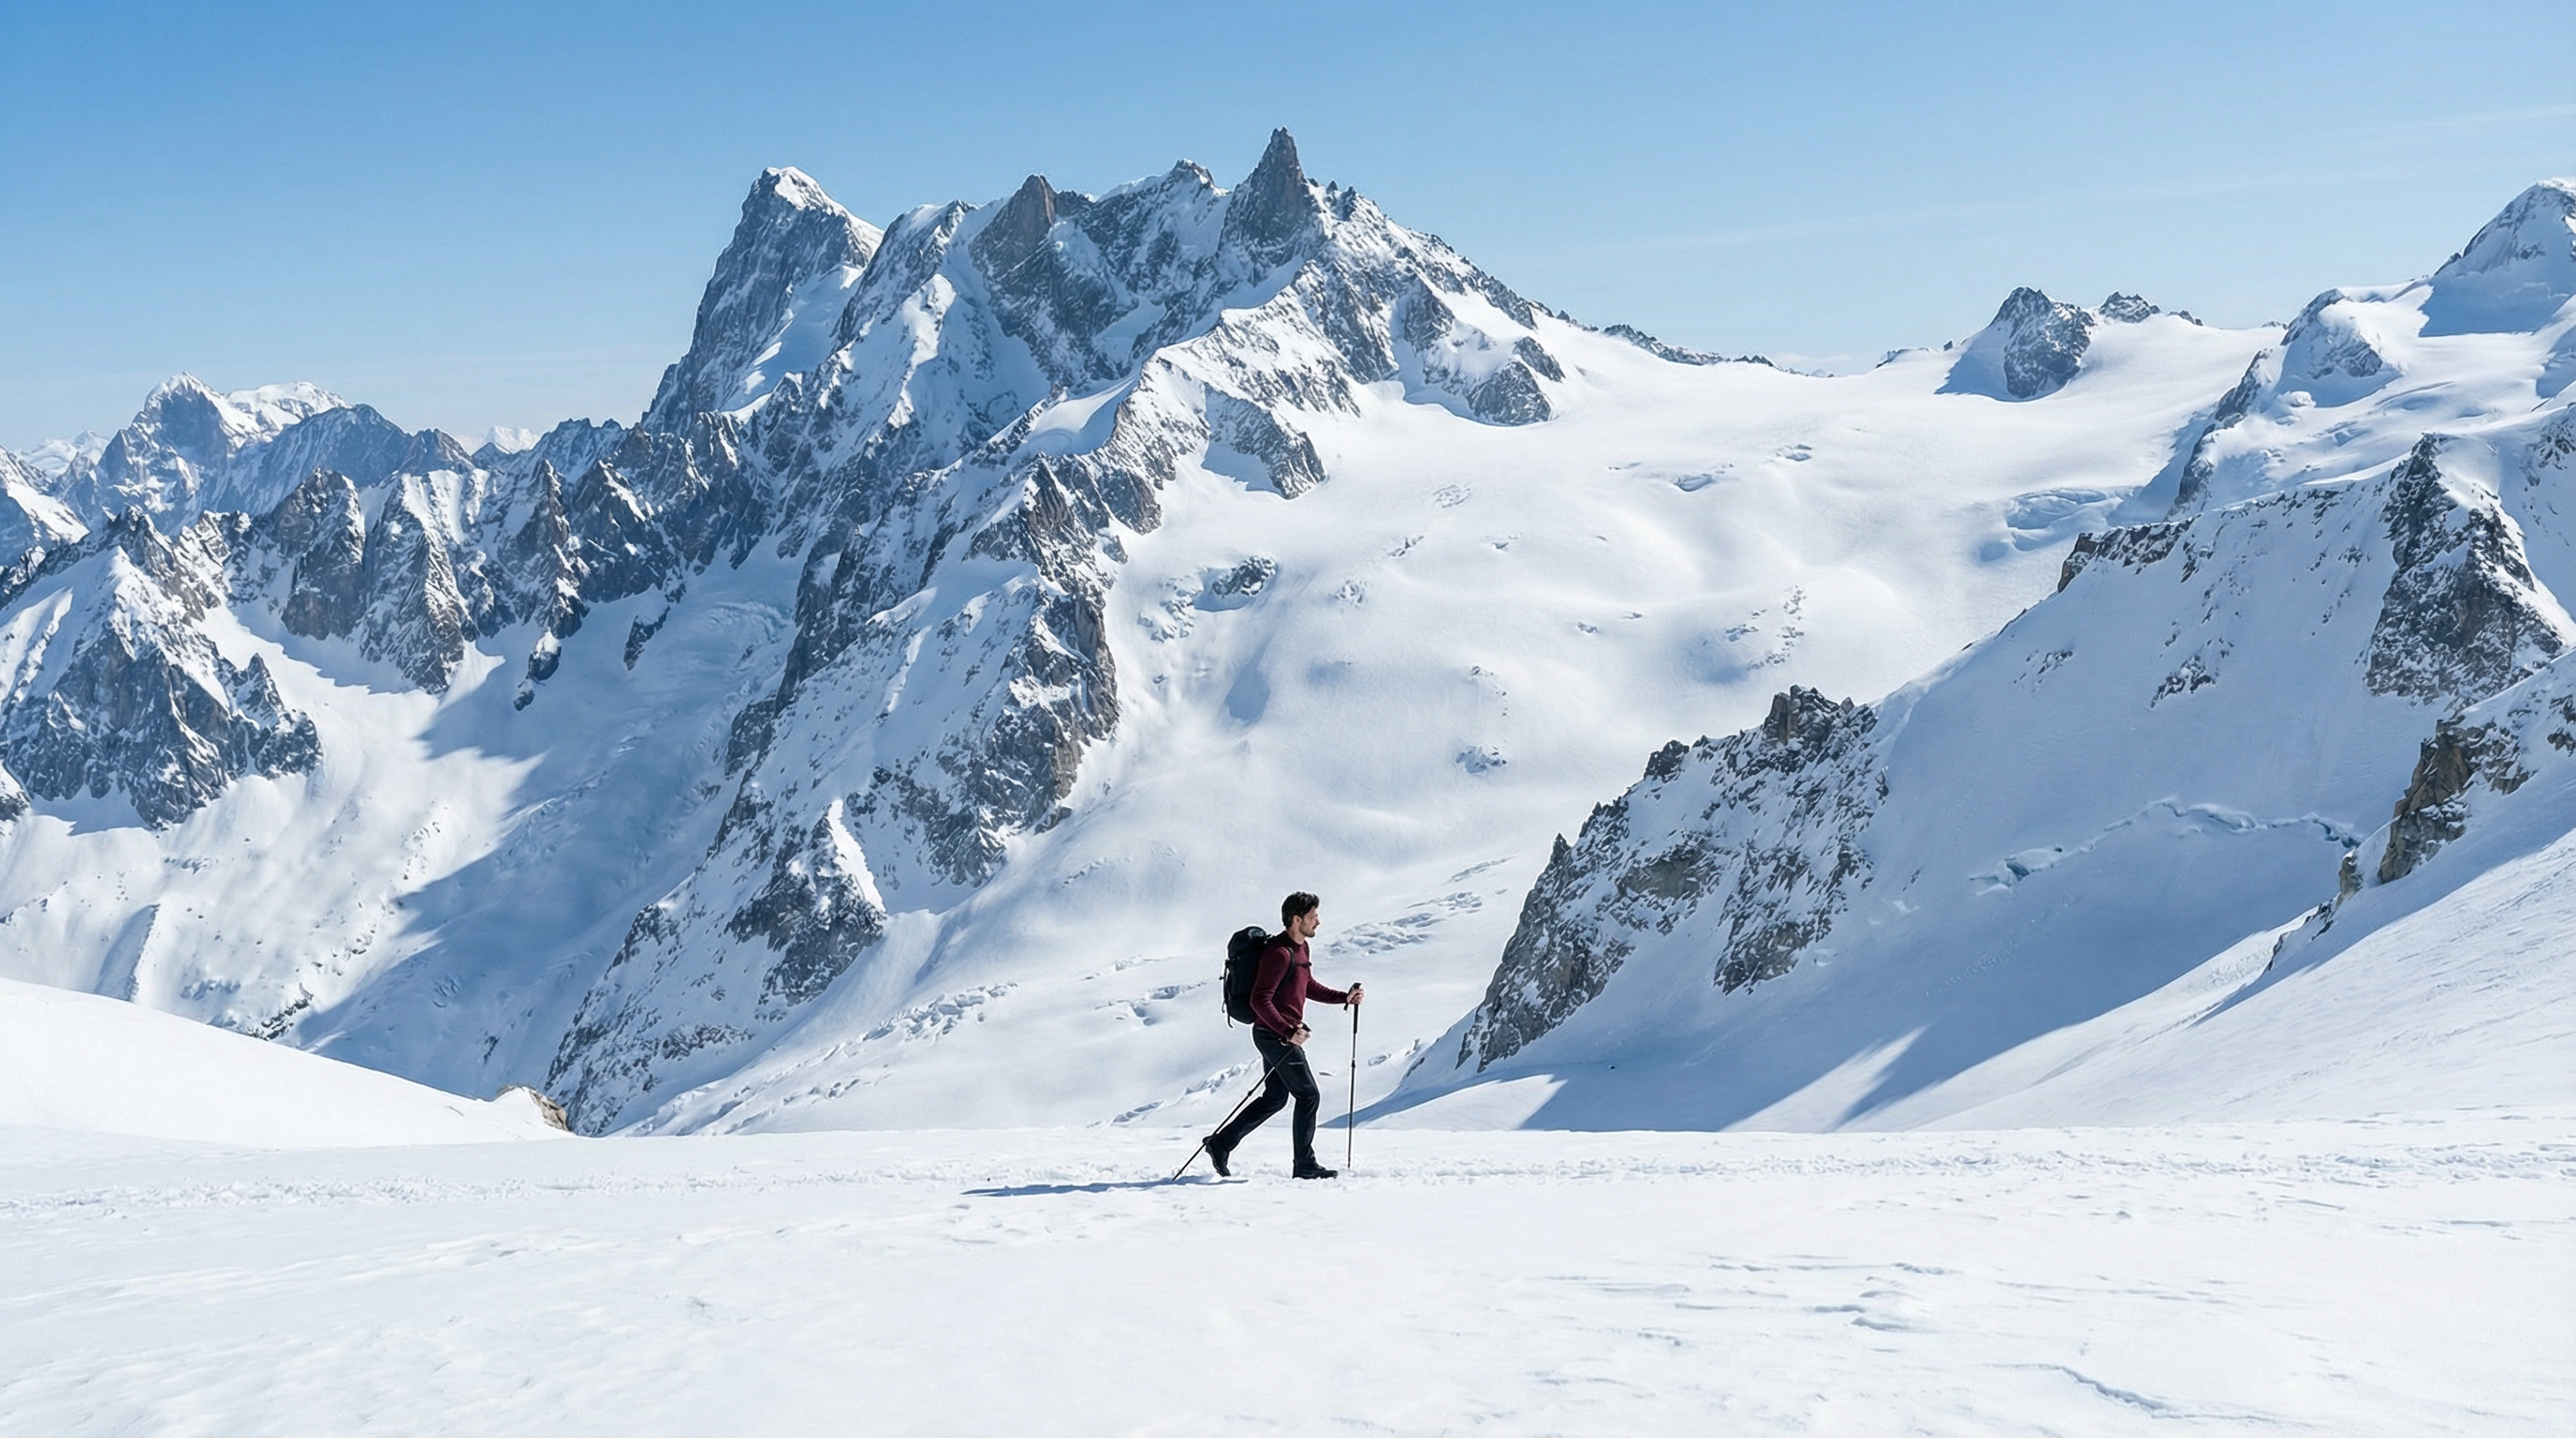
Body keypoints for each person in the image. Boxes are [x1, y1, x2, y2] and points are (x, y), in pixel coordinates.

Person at [1205, 891, 1363, 1179]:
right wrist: (1289, 1031)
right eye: (1314, 916)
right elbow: (1259, 1000)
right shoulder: (1278, 953)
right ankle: (1304, 1165)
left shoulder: (1300, 949)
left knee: (1276, 1098)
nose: (1319, 922)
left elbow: (1307, 985)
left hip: (1277, 1034)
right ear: (1296, 919)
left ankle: (1221, 1143)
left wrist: (1345, 997)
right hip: (1274, 1035)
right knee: (1309, 1095)